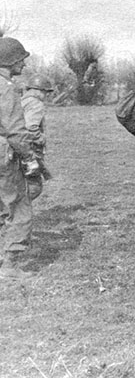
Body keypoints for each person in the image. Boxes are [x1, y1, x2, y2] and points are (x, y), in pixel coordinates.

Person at [0, 37, 39, 280]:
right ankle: (10, 265)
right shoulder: (6, 88)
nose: (23, 65)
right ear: (9, 61)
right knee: (19, 207)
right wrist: (30, 158)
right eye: (20, 60)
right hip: (4, 155)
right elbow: (15, 129)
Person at [21, 74, 54, 201]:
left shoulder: (22, 101)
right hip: (29, 149)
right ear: (38, 91)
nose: (46, 96)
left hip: (15, 147)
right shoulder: (36, 104)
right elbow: (31, 127)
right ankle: (12, 215)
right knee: (34, 187)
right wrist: (41, 139)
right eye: (45, 92)